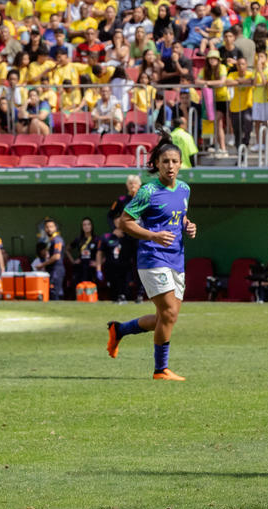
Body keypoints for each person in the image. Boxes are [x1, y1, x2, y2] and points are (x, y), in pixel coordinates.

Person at [106, 136, 197, 381]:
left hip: (176, 259)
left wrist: (188, 226)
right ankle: (160, 370)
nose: (170, 165)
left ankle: (119, 329)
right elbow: (125, 222)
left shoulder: (185, 189)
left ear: (180, 164)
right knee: (168, 314)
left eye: (175, 161)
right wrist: (153, 236)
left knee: (164, 318)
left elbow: (180, 219)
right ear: (156, 163)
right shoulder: (148, 191)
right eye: (165, 161)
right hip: (152, 257)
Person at [96, 226, 133, 301]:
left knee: (126, 292)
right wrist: (98, 269)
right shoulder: (106, 237)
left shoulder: (128, 238)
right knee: (113, 292)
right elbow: (100, 253)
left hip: (125, 269)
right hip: (111, 269)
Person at [67, 217, 100, 284]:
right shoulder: (79, 239)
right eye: (84, 225)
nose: (86, 226)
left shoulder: (97, 239)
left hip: (91, 269)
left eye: (88, 224)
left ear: (91, 226)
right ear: (82, 227)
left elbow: (104, 253)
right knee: (80, 289)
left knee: (91, 290)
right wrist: (73, 261)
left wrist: (98, 263)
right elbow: (66, 250)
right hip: (80, 268)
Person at [40, 217, 65, 300]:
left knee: (54, 293)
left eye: (51, 226)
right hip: (52, 270)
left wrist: (42, 265)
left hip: (56, 270)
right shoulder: (51, 241)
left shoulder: (57, 239)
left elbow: (56, 256)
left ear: (55, 228)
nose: (49, 229)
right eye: (47, 227)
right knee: (52, 293)